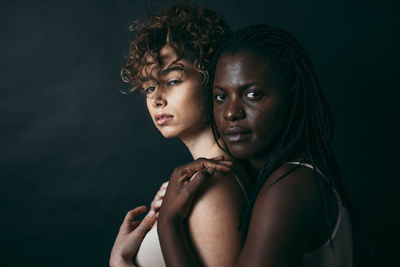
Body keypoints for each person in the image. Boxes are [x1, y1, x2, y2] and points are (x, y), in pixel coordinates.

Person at [156, 24, 354, 266]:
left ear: (291, 94)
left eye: (252, 95)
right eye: (221, 96)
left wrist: (168, 224)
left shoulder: (289, 187)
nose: (230, 113)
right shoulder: (267, 177)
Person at [109, 5, 251, 267]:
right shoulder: (194, 182)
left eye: (173, 81)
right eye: (149, 87)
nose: (156, 99)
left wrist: (120, 261)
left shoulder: (211, 187)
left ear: (212, 79)